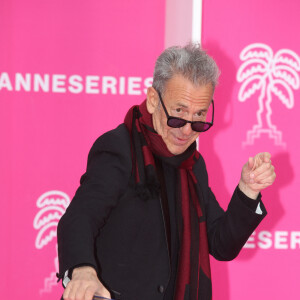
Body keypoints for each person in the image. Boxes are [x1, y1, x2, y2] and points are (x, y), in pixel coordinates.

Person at [57, 43, 276, 300]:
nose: (186, 130)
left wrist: (248, 192)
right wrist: (83, 270)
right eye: (178, 113)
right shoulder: (119, 148)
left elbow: (221, 244)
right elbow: (80, 217)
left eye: (199, 117)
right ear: (153, 100)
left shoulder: (193, 164)